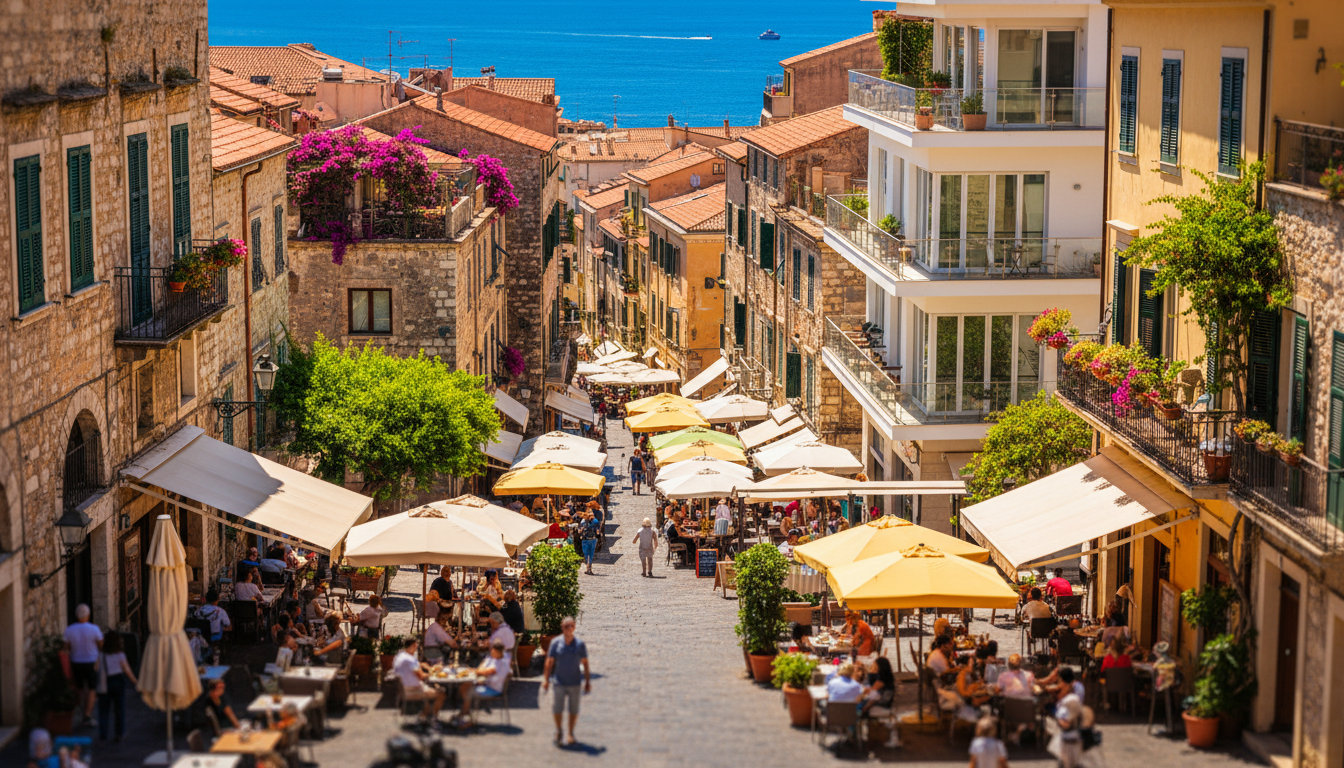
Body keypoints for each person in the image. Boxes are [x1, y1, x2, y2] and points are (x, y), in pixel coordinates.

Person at [542, 616, 591, 746]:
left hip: (575, 682)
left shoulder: (579, 644)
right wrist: (546, 679)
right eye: (566, 626)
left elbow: (585, 663)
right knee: (557, 708)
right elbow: (549, 661)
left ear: (574, 627)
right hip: (559, 681)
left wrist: (587, 681)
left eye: (571, 626)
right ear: (562, 628)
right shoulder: (555, 643)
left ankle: (570, 733)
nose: (568, 629)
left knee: (573, 709)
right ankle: (559, 730)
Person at [64, 604, 102, 727]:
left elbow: (66, 647)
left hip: (76, 662)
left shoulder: (70, 630)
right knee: (91, 689)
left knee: (79, 688)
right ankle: (87, 715)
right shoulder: (94, 629)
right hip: (91, 662)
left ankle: (81, 711)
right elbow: (101, 645)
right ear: (88, 615)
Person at [455, 640, 510, 725]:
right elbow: (481, 668)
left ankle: (467, 715)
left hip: (493, 689)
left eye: (492, 650)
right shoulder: (494, 659)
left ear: (497, 651)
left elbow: (483, 671)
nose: (491, 652)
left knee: (468, 690)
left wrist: (478, 671)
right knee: (464, 685)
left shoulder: (501, 663)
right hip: (487, 683)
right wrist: (479, 670)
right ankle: (466, 711)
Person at [96, 630, 138, 742]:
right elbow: (127, 671)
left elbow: (96, 668)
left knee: (104, 710)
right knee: (119, 709)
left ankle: (103, 733)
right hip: (118, 681)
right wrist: (136, 682)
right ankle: (119, 733)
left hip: (105, 682)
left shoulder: (101, 655)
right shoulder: (120, 655)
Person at [393, 637, 446, 721]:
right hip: (413, 690)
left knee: (432, 687)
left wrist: (421, 664)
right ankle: (433, 717)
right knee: (441, 693)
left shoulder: (399, 656)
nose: (416, 649)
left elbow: (410, 667)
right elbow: (422, 676)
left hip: (403, 688)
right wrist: (434, 671)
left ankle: (425, 714)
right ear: (413, 646)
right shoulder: (411, 660)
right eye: (416, 646)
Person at [1051, 667, 1085, 768]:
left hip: (1069, 724)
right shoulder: (1079, 686)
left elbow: (1062, 705)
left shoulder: (1069, 693)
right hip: (1075, 721)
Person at [578, 510, 600, 575]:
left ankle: (588, 568)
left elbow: (579, 531)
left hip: (585, 540)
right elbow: (598, 532)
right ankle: (589, 568)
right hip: (592, 539)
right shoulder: (595, 521)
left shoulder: (583, 521)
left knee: (586, 554)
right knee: (591, 555)